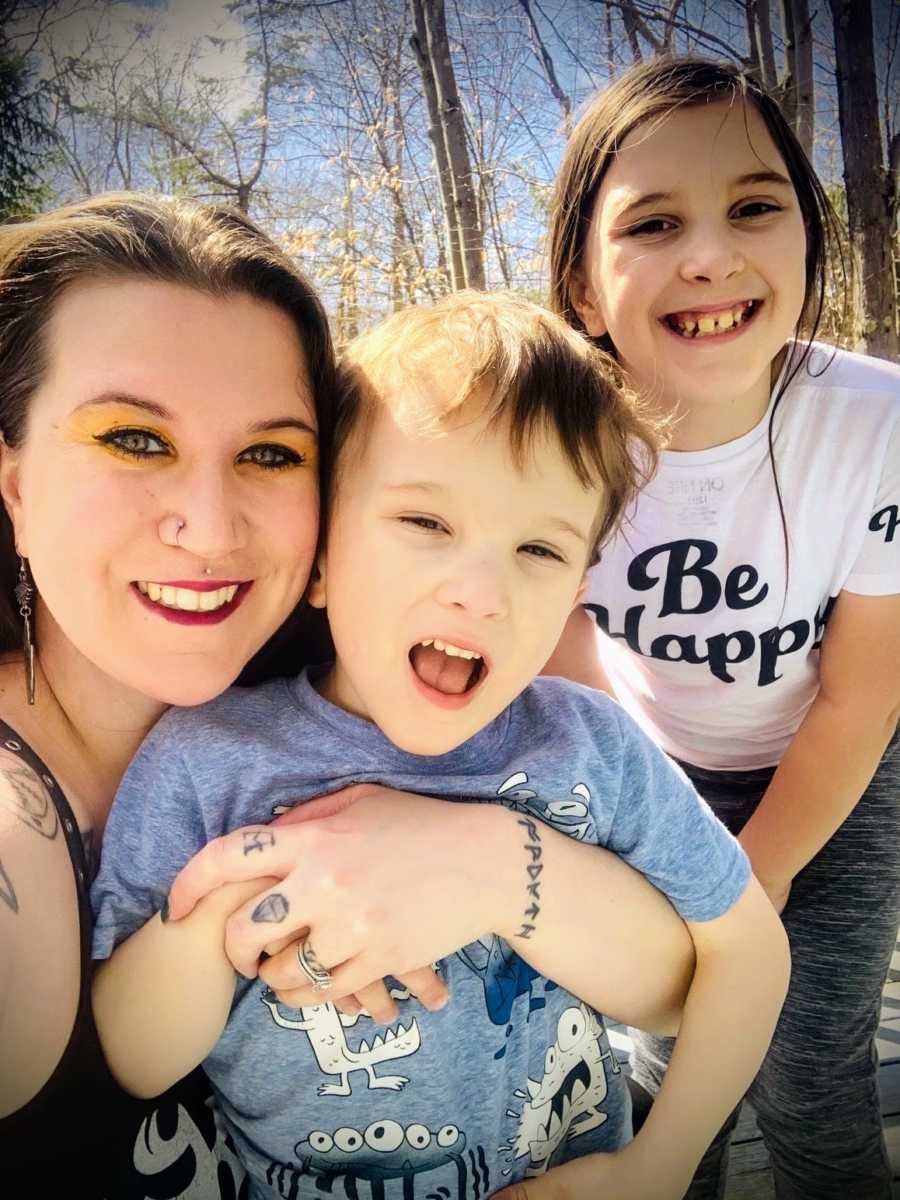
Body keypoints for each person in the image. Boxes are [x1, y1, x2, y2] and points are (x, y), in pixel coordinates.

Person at [0, 193, 702, 1197]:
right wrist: (234, 915)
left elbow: (683, 975)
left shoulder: (398, 672)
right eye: (134, 439)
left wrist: (498, 863)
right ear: (15, 485)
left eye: (271, 453)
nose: (208, 525)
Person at [542, 55, 900, 1200]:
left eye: (754, 207)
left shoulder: (878, 423)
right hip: (652, 779)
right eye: (653, 223)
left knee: (812, 1080)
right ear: (586, 291)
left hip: (835, 785)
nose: (710, 254)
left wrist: (759, 876)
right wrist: (667, 855)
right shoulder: (549, 436)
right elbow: (561, 659)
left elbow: (863, 692)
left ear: (808, 240)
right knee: (653, 1070)